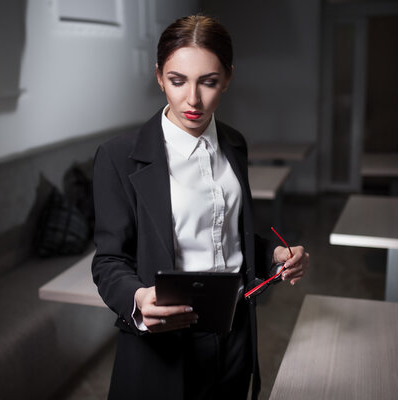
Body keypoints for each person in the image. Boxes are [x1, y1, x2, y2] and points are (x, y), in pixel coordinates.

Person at [91, 14, 309, 400]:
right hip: (166, 341)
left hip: (236, 328)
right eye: (177, 81)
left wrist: (273, 253)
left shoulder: (235, 144)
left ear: (227, 78)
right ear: (159, 76)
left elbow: (227, 235)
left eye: (208, 82)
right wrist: (138, 299)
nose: (192, 100)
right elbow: (109, 261)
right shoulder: (117, 157)